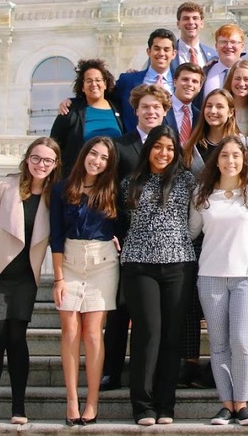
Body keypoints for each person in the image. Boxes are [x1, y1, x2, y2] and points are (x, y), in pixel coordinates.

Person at [0, 137, 59, 426]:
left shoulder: (54, 197)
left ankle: (19, 407)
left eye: (47, 160)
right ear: (27, 159)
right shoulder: (3, 188)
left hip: (25, 280)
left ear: (55, 164)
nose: (40, 164)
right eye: (36, 158)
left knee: (17, 339)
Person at [118, 124, 198, 426]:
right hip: (139, 264)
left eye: (169, 148)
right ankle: (143, 404)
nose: (163, 153)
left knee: (171, 336)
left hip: (179, 264)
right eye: (158, 146)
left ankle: (166, 404)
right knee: (147, 333)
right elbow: (123, 220)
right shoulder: (130, 182)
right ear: (148, 148)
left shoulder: (186, 180)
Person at [188, 135, 248, 426]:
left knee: (241, 340)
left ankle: (243, 403)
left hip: (247, 276)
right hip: (210, 276)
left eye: (236, 155)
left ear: (244, 160)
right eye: (224, 155)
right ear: (216, 160)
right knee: (219, 343)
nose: (230, 160)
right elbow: (192, 232)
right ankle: (226, 404)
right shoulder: (202, 194)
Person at [101, 83, 172, 393]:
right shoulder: (120, 146)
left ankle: (152, 372)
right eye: (145, 107)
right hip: (125, 238)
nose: (151, 112)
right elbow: (109, 192)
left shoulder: (171, 145)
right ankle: (112, 370)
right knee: (119, 308)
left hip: (161, 245)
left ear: (164, 112)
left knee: (155, 316)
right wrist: (113, 232)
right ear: (136, 111)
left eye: (156, 107)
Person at [50, 138, 119, 426]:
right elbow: (56, 236)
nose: (97, 161)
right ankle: (71, 399)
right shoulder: (62, 189)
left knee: (92, 333)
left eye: (104, 158)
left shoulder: (112, 190)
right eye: (94, 154)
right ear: (84, 154)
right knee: (70, 330)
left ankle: (92, 400)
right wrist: (58, 279)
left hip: (103, 263)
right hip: (70, 261)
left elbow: (122, 224)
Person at [50, 59, 124, 179]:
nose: (94, 84)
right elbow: (54, 145)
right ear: (82, 87)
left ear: (105, 84)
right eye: (89, 81)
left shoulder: (120, 108)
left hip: (112, 179)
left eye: (98, 80)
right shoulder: (70, 111)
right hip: (78, 179)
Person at [113, 29, 179, 135]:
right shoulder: (128, 81)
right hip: (135, 142)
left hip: (170, 142)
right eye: (157, 49)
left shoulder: (181, 83)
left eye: (166, 49)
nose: (161, 53)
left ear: (174, 54)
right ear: (148, 51)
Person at [186, 88, 244, 166]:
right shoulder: (193, 144)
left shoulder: (243, 143)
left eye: (219, 107)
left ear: (231, 112)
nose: (213, 111)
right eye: (209, 106)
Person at [163, 62, 206, 152]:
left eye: (194, 81)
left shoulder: (200, 117)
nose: (189, 84)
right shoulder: (161, 108)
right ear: (175, 82)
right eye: (185, 79)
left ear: (199, 87)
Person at [202, 23, 246, 93]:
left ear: (242, 46)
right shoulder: (204, 73)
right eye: (223, 42)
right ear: (216, 46)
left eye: (233, 42)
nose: (228, 46)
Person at [225, 59, 248, 136]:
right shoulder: (221, 107)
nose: (241, 84)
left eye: (246, 79)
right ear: (230, 80)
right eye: (237, 78)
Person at [175, 2, 217, 68]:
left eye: (195, 18)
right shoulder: (169, 53)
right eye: (186, 18)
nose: (191, 22)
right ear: (178, 24)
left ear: (201, 24)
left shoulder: (214, 55)